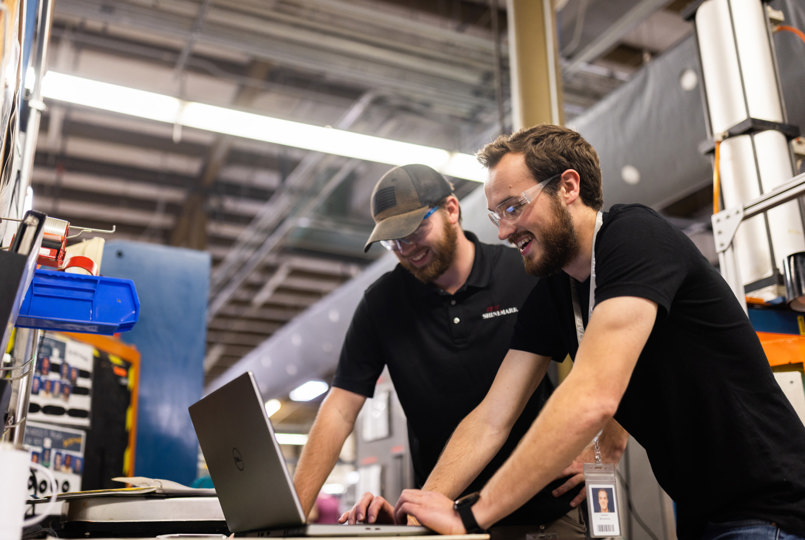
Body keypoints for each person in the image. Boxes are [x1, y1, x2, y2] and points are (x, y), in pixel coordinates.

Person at [393, 124, 805, 539]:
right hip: (703, 515)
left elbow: (593, 395)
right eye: (496, 215)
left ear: (568, 186)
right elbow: (492, 417)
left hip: (770, 509)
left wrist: (470, 516)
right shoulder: (555, 292)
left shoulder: (635, 237)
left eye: (514, 208)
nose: (503, 231)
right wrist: (422, 514)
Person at [292, 163, 587, 538]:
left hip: (543, 512)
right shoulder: (383, 304)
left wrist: (599, 447)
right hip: (442, 518)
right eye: (392, 241)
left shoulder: (522, 274)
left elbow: (600, 366)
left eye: (414, 231)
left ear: (451, 209)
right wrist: (291, 513)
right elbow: (339, 409)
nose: (405, 249)